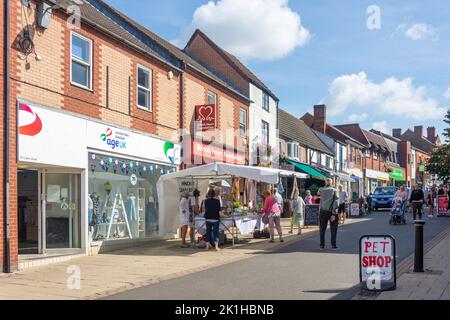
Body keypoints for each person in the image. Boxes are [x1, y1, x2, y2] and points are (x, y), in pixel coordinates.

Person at [318, 179, 339, 250]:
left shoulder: (321, 189)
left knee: (322, 229)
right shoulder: (334, 190)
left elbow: (318, 193)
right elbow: (336, 202)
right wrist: (334, 213)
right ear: (332, 183)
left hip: (322, 211)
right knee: (333, 229)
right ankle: (333, 245)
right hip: (331, 212)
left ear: (325, 183)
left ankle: (322, 245)